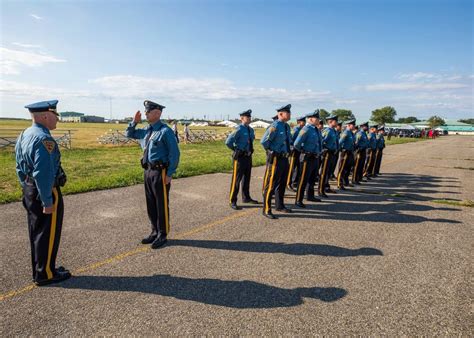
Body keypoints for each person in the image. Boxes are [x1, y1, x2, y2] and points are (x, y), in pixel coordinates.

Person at [15, 99, 71, 286]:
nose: (57, 119)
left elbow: (19, 166)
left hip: (30, 189)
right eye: (56, 116)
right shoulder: (44, 139)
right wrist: (47, 201)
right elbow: (44, 173)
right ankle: (46, 273)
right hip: (45, 191)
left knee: (37, 232)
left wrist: (26, 186)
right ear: (46, 116)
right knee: (48, 233)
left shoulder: (25, 134)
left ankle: (43, 268)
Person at [126, 100, 180, 249]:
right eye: (146, 111)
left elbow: (174, 154)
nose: (145, 114)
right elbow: (129, 134)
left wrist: (170, 173)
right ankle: (154, 231)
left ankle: (163, 234)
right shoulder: (146, 130)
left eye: (148, 111)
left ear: (157, 113)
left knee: (161, 204)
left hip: (160, 172)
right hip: (148, 171)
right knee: (150, 203)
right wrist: (133, 122)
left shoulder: (165, 131)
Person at [261, 104, 293, 219]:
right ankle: (266, 209)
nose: (289, 115)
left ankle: (279, 205)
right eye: (287, 113)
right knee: (271, 184)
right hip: (276, 159)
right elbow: (264, 142)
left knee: (282, 183)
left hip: (285, 158)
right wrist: (270, 152)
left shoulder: (286, 127)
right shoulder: (274, 126)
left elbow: (289, 141)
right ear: (280, 114)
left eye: (289, 112)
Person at [225, 109, 258, 210]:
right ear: (242, 118)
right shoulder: (238, 129)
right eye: (247, 117)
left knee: (246, 179)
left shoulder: (251, 130)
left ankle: (246, 197)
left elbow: (250, 141)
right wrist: (236, 150)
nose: (249, 118)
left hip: (248, 157)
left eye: (249, 117)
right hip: (240, 158)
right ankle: (232, 200)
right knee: (236, 179)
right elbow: (228, 142)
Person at [293, 111, 323, 208]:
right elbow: (296, 144)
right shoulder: (306, 129)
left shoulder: (316, 129)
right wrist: (304, 151)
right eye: (316, 118)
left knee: (312, 179)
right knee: (303, 179)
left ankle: (310, 196)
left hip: (315, 157)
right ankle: (298, 199)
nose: (318, 120)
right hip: (307, 158)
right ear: (310, 119)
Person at [319, 114, 338, 196]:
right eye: (335, 120)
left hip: (332, 153)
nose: (337, 122)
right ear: (330, 121)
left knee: (328, 172)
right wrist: (324, 150)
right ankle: (321, 190)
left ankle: (326, 187)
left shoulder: (333, 130)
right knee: (324, 172)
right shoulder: (327, 131)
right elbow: (321, 141)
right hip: (327, 153)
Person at [286, 116, 306, 191]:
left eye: (304, 121)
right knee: (292, 168)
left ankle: (295, 182)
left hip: (300, 151)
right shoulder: (296, 130)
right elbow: (291, 140)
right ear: (298, 122)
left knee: (298, 167)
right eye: (302, 121)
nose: (304, 122)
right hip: (295, 151)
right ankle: (288, 183)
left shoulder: (303, 129)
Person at [337, 119, 356, 190]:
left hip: (350, 152)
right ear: (348, 125)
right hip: (345, 152)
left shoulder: (351, 133)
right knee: (342, 168)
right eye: (353, 125)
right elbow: (340, 142)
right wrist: (340, 149)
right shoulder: (346, 133)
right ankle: (339, 183)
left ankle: (346, 182)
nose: (354, 126)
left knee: (348, 168)